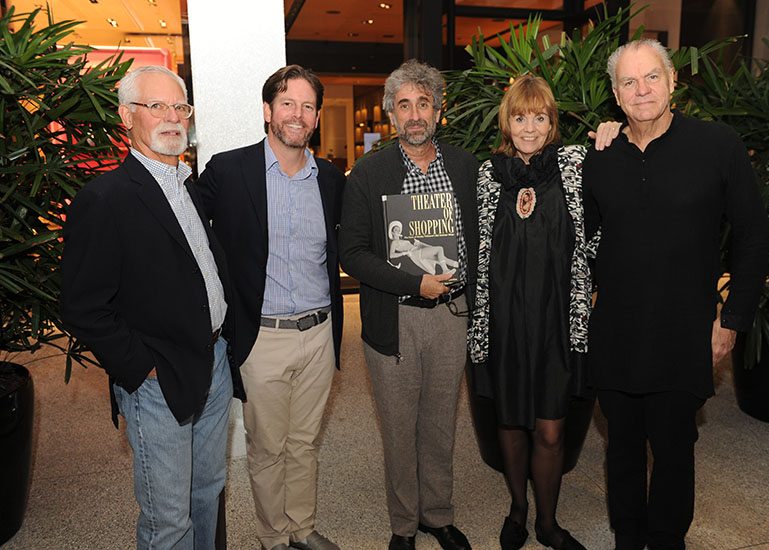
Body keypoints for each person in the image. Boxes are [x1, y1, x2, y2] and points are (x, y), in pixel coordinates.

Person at [582, 39, 769, 550]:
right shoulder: (598, 157)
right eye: (628, 82)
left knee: (674, 448)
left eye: (650, 78)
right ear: (616, 97)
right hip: (617, 330)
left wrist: (730, 320)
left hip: (686, 332)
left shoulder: (718, 145)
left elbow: (753, 235)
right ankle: (628, 535)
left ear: (671, 83)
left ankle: (667, 539)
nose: (640, 90)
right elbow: (582, 239)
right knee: (621, 446)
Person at [60, 65, 234, 549]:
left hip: (213, 364)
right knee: (169, 519)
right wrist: (143, 369)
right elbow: (82, 305)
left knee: (207, 493)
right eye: (156, 106)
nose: (172, 117)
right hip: (159, 380)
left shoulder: (186, 186)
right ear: (126, 117)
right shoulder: (105, 198)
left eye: (179, 106)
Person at [194, 65, 345, 550]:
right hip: (263, 337)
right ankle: (273, 536)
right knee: (268, 447)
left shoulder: (330, 178)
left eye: (306, 106)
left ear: (317, 117)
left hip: (320, 333)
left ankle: (301, 528)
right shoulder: (228, 170)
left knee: (304, 443)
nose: (296, 115)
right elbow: (188, 234)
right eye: (287, 104)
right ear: (267, 111)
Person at [339, 59, 478, 550]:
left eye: (423, 104)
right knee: (398, 428)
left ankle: (437, 515)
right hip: (394, 317)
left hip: (452, 318)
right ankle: (403, 525)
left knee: (440, 421)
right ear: (390, 114)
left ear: (439, 112)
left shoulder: (465, 168)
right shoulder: (367, 174)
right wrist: (411, 282)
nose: (414, 114)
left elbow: (483, 239)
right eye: (404, 105)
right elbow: (351, 253)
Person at [467, 74, 594, 550]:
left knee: (551, 428)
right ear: (507, 120)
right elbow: (473, 246)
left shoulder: (576, 166)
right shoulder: (487, 174)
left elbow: (597, 230)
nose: (529, 127)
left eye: (539, 117)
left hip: (557, 325)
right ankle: (518, 512)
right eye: (520, 117)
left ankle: (548, 521)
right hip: (502, 325)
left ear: (551, 122)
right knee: (510, 422)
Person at [388, 220, 459, 275]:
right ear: (392, 232)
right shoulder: (394, 242)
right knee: (439, 249)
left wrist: (418, 243)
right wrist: (404, 253)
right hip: (415, 253)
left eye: (399, 229)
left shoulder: (404, 240)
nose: (398, 231)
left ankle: (456, 264)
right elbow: (391, 255)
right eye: (395, 230)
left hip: (418, 249)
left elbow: (415, 245)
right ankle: (445, 270)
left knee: (439, 257)